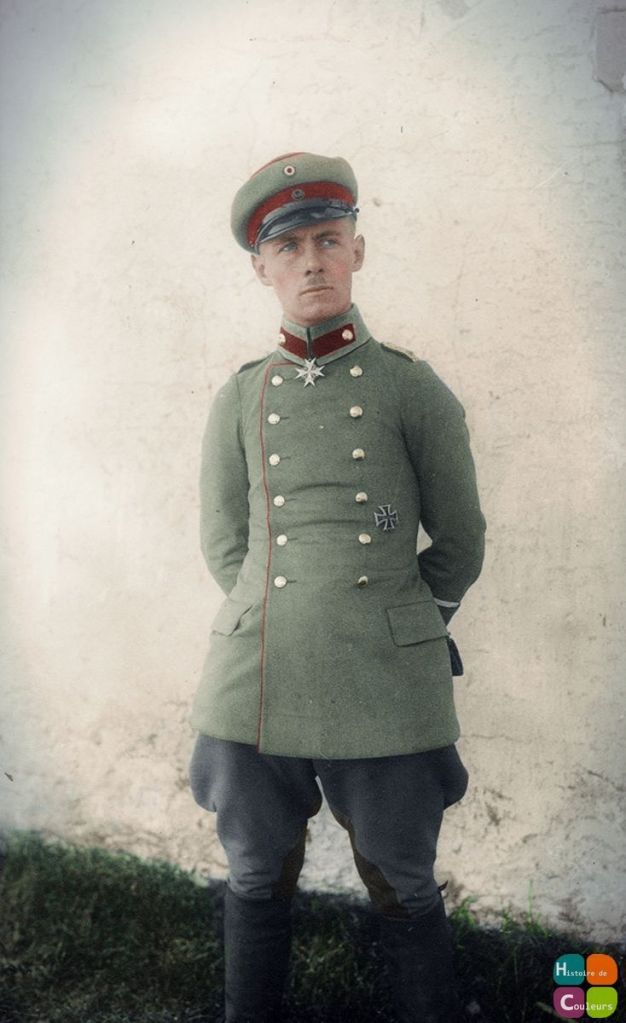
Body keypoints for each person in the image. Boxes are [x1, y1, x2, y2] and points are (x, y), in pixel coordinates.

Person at [189, 151, 486, 1023]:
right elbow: (226, 541)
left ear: (358, 249)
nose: (311, 261)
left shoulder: (409, 386)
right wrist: (278, 611)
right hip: (258, 671)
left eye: (327, 239)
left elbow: (460, 541)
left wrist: (399, 621)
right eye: (289, 248)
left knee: (403, 873)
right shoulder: (241, 397)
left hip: (383, 677)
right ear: (262, 268)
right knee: (254, 868)